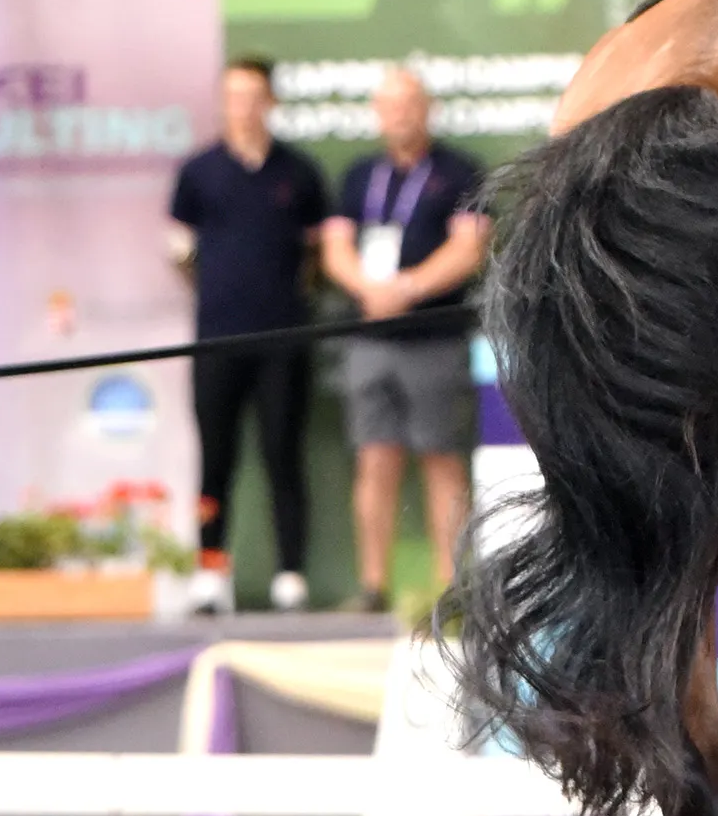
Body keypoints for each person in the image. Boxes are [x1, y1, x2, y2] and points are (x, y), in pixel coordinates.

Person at [320, 67, 488, 616]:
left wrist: (409, 288)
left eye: (409, 104)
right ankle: (373, 586)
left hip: (434, 339)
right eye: (389, 106)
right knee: (374, 459)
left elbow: (469, 248)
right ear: (377, 113)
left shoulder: (460, 170)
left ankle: (451, 589)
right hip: (369, 339)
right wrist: (366, 288)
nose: (400, 115)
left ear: (427, 109)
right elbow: (336, 246)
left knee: (440, 459)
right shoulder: (359, 175)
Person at [168, 59, 329, 614]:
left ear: (270, 103)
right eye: (233, 96)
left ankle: (290, 573)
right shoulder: (198, 172)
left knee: (283, 454)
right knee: (215, 459)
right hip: (216, 338)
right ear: (221, 103)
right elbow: (179, 252)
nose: (243, 106)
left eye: (254, 95)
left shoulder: (300, 173)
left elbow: (316, 254)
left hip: (284, 339)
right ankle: (210, 571)